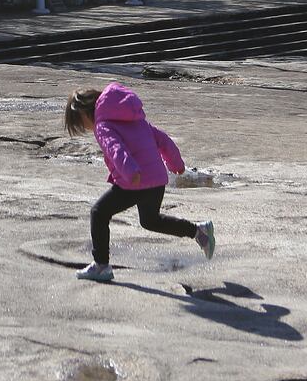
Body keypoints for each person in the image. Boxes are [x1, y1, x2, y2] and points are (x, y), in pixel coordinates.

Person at [64, 83, 215, 283]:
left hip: (135, 181)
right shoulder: (134, 118)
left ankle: (101, 266)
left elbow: (115, 149)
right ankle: (199, 231)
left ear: (84, 112)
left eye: (81, 124)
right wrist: (177, 165)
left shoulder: (103, 126)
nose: (85, 128)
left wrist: (130, 171)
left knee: (99, 213)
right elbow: (163, 140)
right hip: (157, 179)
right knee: (150, 220)